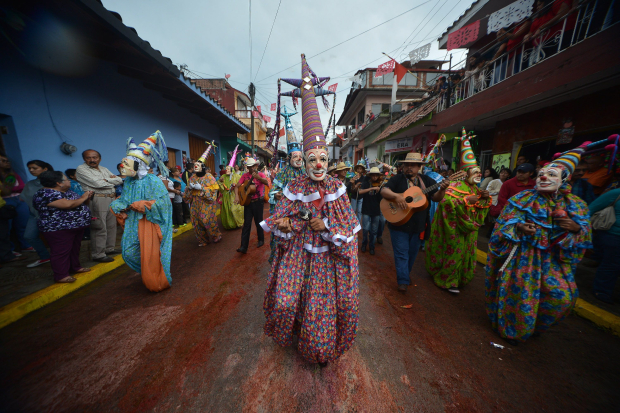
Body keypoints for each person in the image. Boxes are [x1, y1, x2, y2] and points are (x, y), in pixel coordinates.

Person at [260, 54, 360, 366]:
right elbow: (278, 217)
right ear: (303, 159)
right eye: (312, 158)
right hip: (297, 255)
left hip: (326, 260)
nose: (318, 164)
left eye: (323, 159)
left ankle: (318, 350)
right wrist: (286, 224)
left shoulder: (336, 189)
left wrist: (327, 229)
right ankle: (294, 331)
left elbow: (350, 230)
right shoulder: (297, 186)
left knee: (323, 308)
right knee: (287, 301)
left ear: (328, 160)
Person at [485, 144, 592, 345]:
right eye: (542, 173)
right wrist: (519, 227)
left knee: (561, 297)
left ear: (564, 179)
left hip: (554, 260)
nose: (543, 177)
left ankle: (534, 325)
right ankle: (514, 330)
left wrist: (576, 229)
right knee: (521, 296)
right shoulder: (523, 198)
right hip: (524, 256)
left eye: (551, 174)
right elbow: (503, 223)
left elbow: (585, 234)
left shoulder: (575, 204)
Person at [426, 130, 491, 293]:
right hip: (453, 230)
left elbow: (480, 213)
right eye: (475, 172)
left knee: (466, 253)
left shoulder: (476, 189)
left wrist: (483, 199)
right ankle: (448, 280)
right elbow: (445, 202)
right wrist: (465, 201)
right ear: (466, 173)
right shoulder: (455, 186)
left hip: (469, 232)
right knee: (454, 252)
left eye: (479, 172)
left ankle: (461, 278)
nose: (479, 174)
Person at [110, 131, 174, 292]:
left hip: (149, 223)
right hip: (132, 222)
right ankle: (151, 270)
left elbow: (164, 203)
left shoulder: (153, 181)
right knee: (129, 253)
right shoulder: (129, 182)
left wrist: (143, 205)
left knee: (150, 255)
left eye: (128, 162)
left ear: (140, 164)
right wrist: (118, 204)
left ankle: (157, 277)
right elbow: (125, 199)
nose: (123, 165)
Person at [380, 152, 449, 293]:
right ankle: (403, 281)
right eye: (406, 165)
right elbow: (383, 191)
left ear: (419, 167)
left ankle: (404, 274)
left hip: (418, 225)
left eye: (412, 165)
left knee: (412, 254)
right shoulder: (397, 179)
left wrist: (442, 189)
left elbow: (436, 198)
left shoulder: (427, 181)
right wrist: (396, 197)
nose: (409, 168)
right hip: (398, 224)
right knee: (401, 254)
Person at [33, 171, 93, 283]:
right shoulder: (45, 194)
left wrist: (86, 198)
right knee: (60, 252)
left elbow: (78, 203)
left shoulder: (66, 191)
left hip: (75, 227)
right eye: (66, 179)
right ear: (58, 183)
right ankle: (61, 275)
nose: (69, 181)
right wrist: (84, 197)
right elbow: (68, 205)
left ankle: (75, 267)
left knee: (74, 249)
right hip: (58, 228)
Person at [268, 107, 304, 261]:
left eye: (300, 156)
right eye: (295, 156)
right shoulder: (282, 173)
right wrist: (275, 194)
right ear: (289, 158)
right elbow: (272, 192)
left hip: (302, 215)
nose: (298, 159)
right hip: (284, 213)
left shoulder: (307, 173)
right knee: (280, 242)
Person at [76, 149, 122, 262]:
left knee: (111, 225)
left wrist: (106, 180)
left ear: (99, 158)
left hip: (111, 198)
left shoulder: (103, 168)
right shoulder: (81, 169)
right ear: (84, 159)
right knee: (99, 227)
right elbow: (98, 184)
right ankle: (98, 254)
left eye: (95, 157)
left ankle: (109, 248)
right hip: (97, 198)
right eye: (88, 158)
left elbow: (120, 180)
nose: (92, 160)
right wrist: (111, 180)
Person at [184, 148, 222, 247]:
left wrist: (202, 188)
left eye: (198, 165)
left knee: (206, 220)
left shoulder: (209, 177)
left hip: (207, 203)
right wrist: (189, 188)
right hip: (195, 203)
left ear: (203, 167)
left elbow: (214, 193)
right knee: (196, 221)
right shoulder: (192, 177)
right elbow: (187, 193)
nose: (195, 166)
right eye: (195, 165)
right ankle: (203, 240)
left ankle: (215, 235)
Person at [20, 160, 54, 267]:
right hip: (34, 215)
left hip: (52, 216)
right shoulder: (30, 184)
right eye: (29, 168)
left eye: (34, 168)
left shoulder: (54, 182)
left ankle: (61, 258)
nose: (31, 170)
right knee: (29, 236)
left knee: (55, 239)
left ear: (45, 169)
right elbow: (22, 198)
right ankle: (45, 257)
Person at [590, 188, 620, 304]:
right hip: (613, 235)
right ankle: (602, 291)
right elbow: (592, 208)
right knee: (612, 264)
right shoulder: (616, 193)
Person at [236, 156, 268, 254]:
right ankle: (243, 246)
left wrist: (259, 178)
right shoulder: (244, 176)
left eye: (253, 166)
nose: (251, 168)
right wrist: (237, 196)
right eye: (249, 167)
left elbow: (267, 183)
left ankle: (261, 240)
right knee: (247, 224)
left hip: (258, 202)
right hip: (248, 202)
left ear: (256, 166)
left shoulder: (261, 174)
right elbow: (237, 186)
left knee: (259, 222)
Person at [0, 154, 30, 253]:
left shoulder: (12, 174)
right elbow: (6, 192)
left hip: (19, 199)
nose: (7, 163)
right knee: (6, 228)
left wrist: (11, 187)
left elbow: (22, 186)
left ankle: (26, 245)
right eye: (3, 161)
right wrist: (14, 188)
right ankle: (10, 250)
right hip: (5, 202)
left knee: (23, 224)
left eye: (7, 161)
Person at [358, 167, 383, 255]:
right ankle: (364, 244)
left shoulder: (380, 185)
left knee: (374, 231)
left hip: (376, 211)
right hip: (366, 210)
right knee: (365, 229)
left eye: (377, 175)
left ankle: (372, 246)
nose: (375, 177)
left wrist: (381, 191)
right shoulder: (366, 183)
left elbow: (382, 199)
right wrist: (371, 189)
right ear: (371, 176)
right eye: (373, 175)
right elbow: (360, 192)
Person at [218, 165, 244, 230]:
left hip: (234, 195)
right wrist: (220, 182)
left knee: (234, 209)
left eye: (228, 169)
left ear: (232, 170)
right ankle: (230, 224)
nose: (227, 170)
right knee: (227, 210)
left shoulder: (237, 176)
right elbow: (219, 187)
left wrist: (236, 187)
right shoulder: (223, 176)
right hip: (226, 196)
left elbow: (242, 185)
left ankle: (238, 223)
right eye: (226, 169)